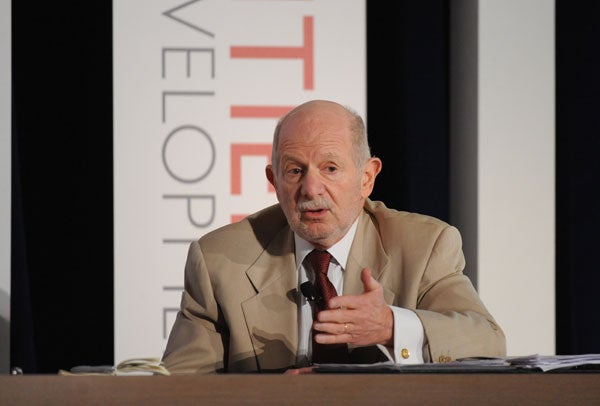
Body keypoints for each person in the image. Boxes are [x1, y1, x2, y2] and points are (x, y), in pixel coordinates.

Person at [162, 99, 506, 374]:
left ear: (366, 178)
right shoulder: (218, 261)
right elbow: (181, 389)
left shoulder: (425, 245)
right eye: (294, 170)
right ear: (274, 180)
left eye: (330, 168)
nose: (311, 189)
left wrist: (392, 327)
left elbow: (487, 341)